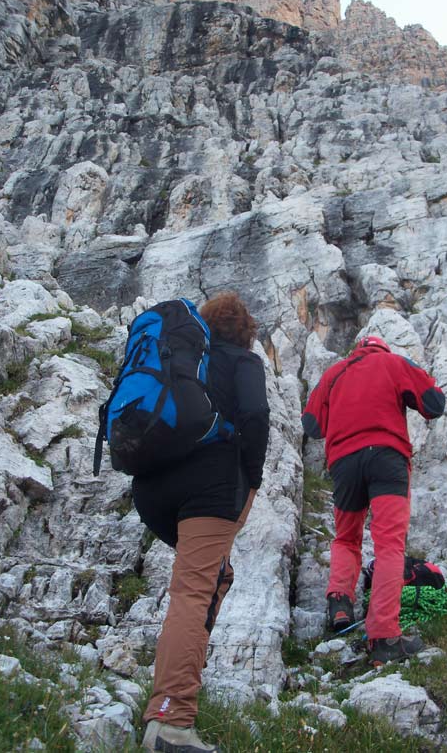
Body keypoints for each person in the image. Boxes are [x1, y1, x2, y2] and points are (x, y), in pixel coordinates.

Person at [132, 292, 270, 753]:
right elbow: (254, 414)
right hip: (209, 488)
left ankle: (178, 682)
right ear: (246, 331)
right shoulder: (243, 362)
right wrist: (252, 475)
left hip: (152, 491)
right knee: (194, 589)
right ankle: (170, 722)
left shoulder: (183, 360)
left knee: (213, 577)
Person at [302, 335, 445, 665]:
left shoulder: (334, 373)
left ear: (356, 350)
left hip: (344, 464)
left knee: (346, 537)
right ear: (383, 347)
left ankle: (340, 604)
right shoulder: (394, 363)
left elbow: (311, 424)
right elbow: (434, 404)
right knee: (389, 545)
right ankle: (384, 638)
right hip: (387, 459)